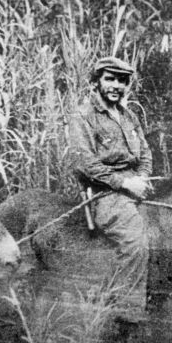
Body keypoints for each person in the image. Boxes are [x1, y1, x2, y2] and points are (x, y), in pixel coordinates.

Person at [67, 56, 153, 328]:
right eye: (110, 79)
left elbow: (145, 152)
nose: (117, 85)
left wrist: (142, 177)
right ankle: (126, 315)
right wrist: (125, 183)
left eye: (123, 81)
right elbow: (85, 163)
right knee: (135, 240)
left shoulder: (128, 116)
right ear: (96, 82)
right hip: (104, 193)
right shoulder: (83, 116)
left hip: (136, 185)